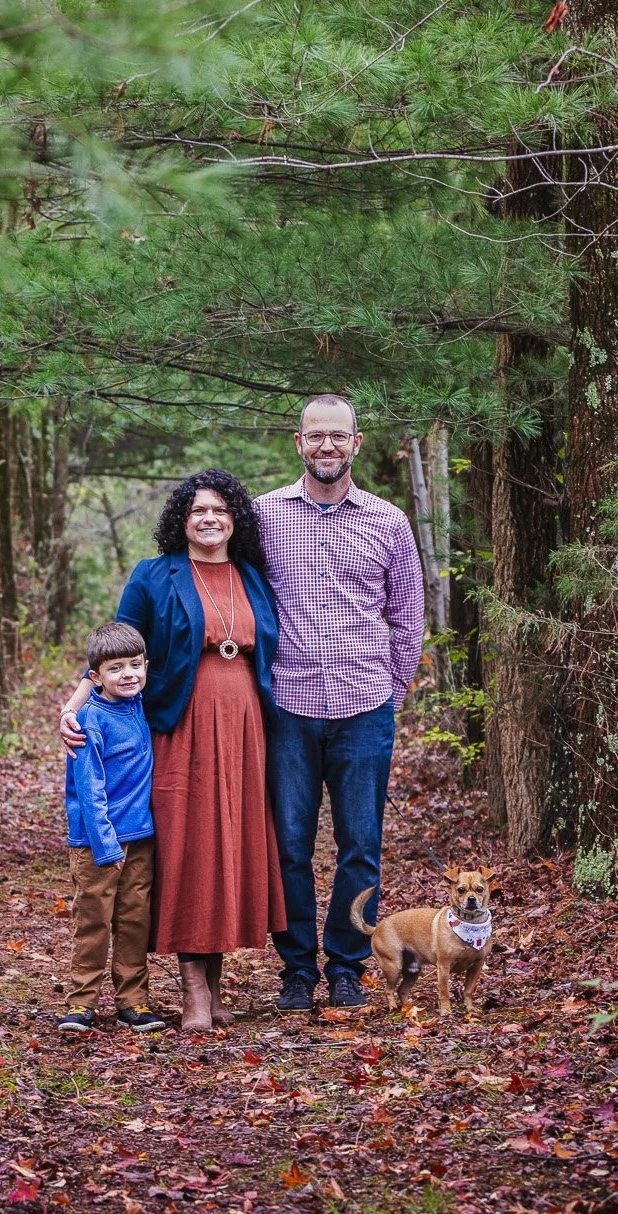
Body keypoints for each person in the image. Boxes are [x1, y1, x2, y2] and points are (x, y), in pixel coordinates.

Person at [60, 469, 285, 1032]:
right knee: (191, 849)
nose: (209, 518)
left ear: (236, 518)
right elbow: (117, 647)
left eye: (220, 509)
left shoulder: (252, 575)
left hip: (244, 727)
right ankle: (192, 992)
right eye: (196, 510)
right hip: (180, 725)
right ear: (180, 520)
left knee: (230, 846)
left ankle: (215, 984)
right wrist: (76, 703)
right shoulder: (154, 576)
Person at [254, 394, 425, 1011]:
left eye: (338, 436)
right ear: (298, 443)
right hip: (288, 709)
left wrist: (392, 689)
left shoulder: (388, 521)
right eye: (315, 436)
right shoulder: (263, 515)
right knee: (290, 844)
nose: (326, 446)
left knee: (360, 844)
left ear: (356, 444)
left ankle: (348, 964)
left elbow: (407, 615)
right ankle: (297, 969)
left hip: (363, 709)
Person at [59, 621, 166, 1035]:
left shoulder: (138, 704)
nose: (128, 675)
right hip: (97, 843)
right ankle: (81, 1003)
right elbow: (88, 789)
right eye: (116, 668)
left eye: (135, 665)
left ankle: (133, 1001)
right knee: (93, 921)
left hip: (139, 838)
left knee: (135, 919)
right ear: (95, 677)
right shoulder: (90, 721)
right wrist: (106, 846)